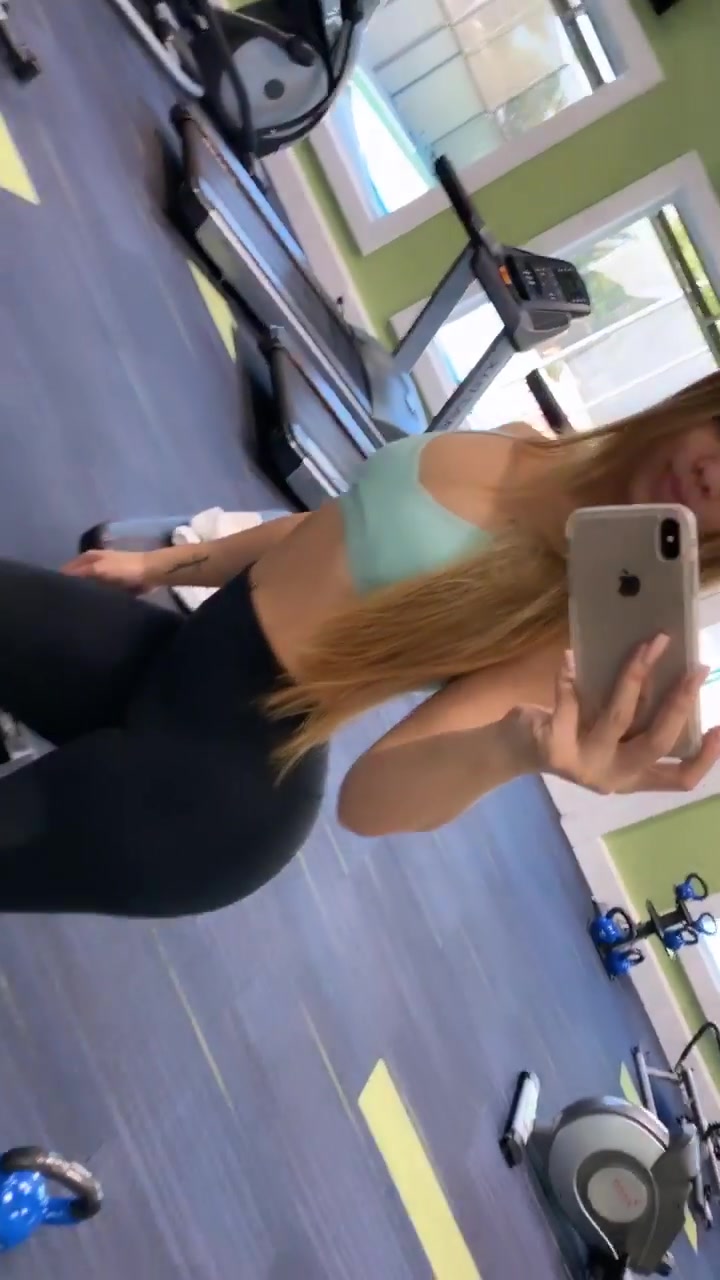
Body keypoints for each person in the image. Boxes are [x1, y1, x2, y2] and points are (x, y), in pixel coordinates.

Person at [3, 374, 720, 919]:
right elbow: (337, 528)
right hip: (171, 665)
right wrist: (161, 565)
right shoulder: (521, 442)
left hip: (212, 795)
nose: (712, 476)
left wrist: (514, 750)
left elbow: (371, 801)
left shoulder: (569, 621)